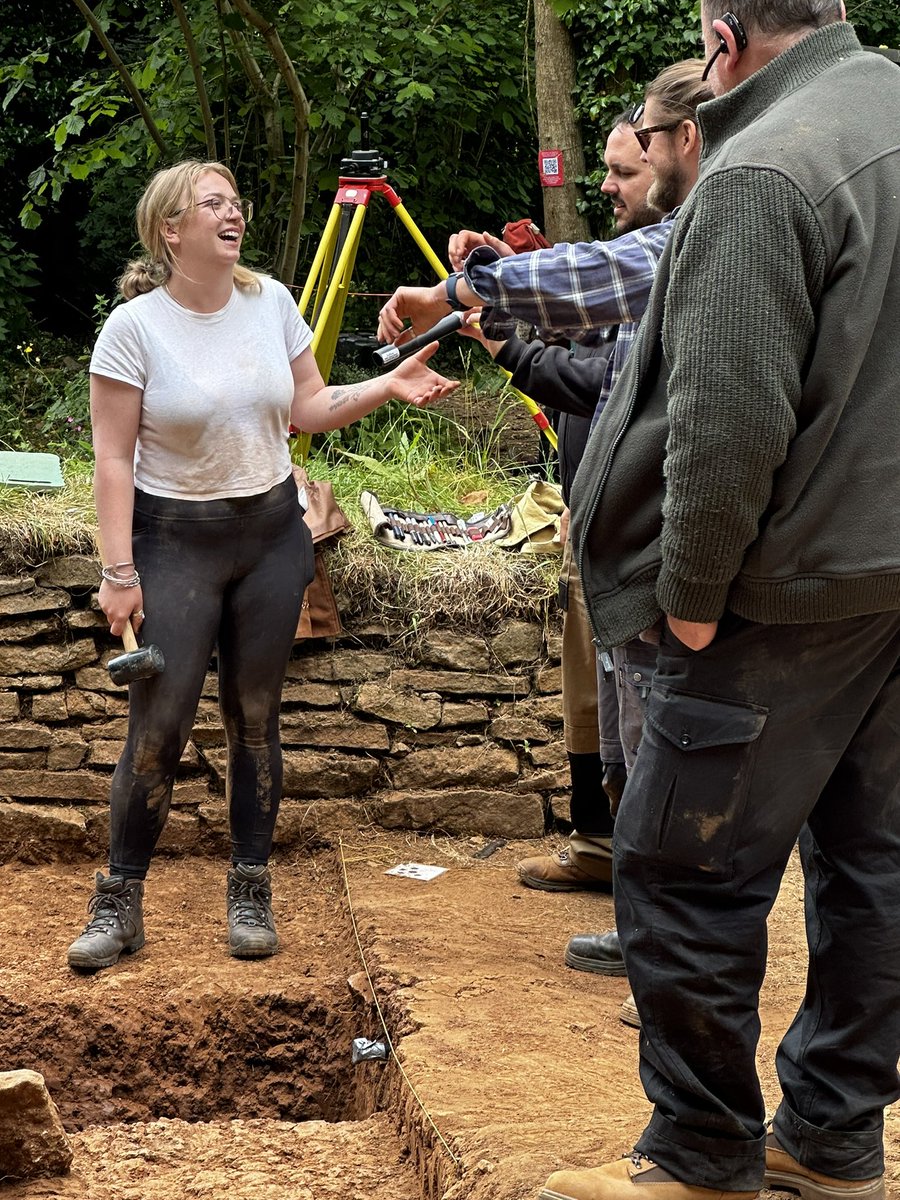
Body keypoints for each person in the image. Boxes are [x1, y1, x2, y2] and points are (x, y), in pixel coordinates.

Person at [550, 4, 900, 1198]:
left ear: (723, 32)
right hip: (882, 576)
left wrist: (692, 603)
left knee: (681, 870)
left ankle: (704, 1159)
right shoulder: (890, 112)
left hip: (779, 597)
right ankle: (834, 1139)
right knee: (875, 866)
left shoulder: (761, 169)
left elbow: (727, 422)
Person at [67, 159, 457, 974]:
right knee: (160, 726)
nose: (231, 213)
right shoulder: (134, 328)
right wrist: (118, 570)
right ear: (171, 229)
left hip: (273, 535)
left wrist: (387, 385)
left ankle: (250, 888)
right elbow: (109, 460)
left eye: (235, 202)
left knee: (255, 718)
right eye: (212, 204)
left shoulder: (270, 302)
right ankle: (120, 900)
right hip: (174, 540)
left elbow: (308, 408)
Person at [379, 61, 711, 1000]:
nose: (615, 180)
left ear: (682, 144)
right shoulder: (674, 241)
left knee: (659, 752)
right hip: (616, 534)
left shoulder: (698, 244)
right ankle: (645, 925)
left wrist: (476, 301)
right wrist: (499, 297)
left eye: (633, 156)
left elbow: (595, 378)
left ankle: (670, 964)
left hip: (658, 545)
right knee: (622, 737)